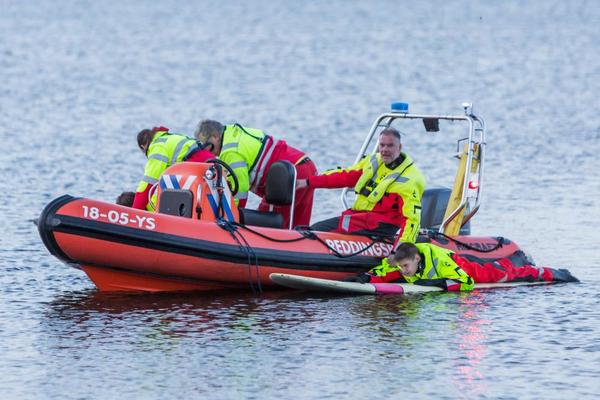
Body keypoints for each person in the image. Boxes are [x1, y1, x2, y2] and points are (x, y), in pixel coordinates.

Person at [296, 128, 425, 241]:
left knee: (315, 231)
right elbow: (345, 176)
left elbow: (411, 220)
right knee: (314, 229)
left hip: (380, 225)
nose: (385, 150)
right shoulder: (373, 161)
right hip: (360, 218)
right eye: (382, 145)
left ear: (400, 147)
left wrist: (398, 251)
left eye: (390, 145)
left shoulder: (409, 179)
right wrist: (307, 182)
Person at [195, 120, 317, 228]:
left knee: (268, 227)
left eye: (207, 146)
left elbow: (240, 189)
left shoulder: (230, 151)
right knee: (299, 227)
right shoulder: (235, 132)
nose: (209, 152)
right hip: (306, 166)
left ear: (215, 136)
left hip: (287, 177)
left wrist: (232, 215)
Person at [348, 242, 579, 290]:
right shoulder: (402, 260)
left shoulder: (443, 262)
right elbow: (383, 272)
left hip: (466, 267)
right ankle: (518, 257)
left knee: (506, 275)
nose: (403, 271)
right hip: (439, 273)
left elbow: (466, 283)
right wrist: (365, 278)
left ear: (417, 259)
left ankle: (550, 272)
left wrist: (439, 284)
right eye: (402, 267)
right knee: (502, 268)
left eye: (406, 267)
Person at [133, 126, 214, 211]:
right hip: (210, 162)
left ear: (143, 147)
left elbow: (148, 183)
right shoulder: (168, 138)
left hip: (195, 165)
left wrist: (135, 210)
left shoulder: (157, 147)